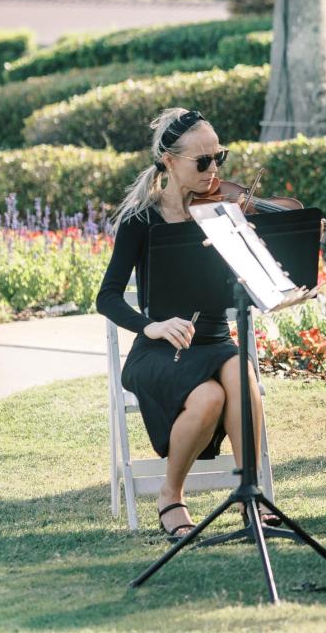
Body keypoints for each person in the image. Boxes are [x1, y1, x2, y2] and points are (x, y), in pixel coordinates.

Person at [96, 108, 278, 540]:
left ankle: (249, 495)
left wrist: (269, 279)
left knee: (240, 371)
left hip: (215, 343)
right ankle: (170, 495)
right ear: (169, 162)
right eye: (203, 161)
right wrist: (150, 327)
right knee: (209, 397)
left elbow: (244, 286)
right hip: (161, 352)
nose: (214, 169)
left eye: (219, 157)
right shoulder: (140, 222)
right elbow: (106, 297)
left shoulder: (223, 215)